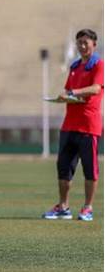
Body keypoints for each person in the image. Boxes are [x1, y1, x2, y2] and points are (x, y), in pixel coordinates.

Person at [42, 29, 103, 222]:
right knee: (63, 167)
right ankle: (63, 206)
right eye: (79, 43)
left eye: (85, 42)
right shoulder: (75, 65)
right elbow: (69, 89)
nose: (82, 46)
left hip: (88, 125)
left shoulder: (99, 64)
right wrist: (66, 96)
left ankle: (87, 208)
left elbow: (95, 88)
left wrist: (74, 93)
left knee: (90, 169)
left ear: (94, 44)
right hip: (69, 125)